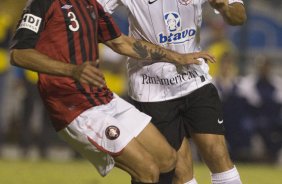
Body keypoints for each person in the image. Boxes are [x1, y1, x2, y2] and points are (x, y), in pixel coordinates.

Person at [9, 0, 215, 183]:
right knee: (148, 171)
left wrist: (176, 57)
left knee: (168, 159)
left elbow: (121, 42)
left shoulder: (91, 4)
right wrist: (72, 70)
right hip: (74, 108)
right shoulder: (42, 3)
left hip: (103, 98)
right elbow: (19, 54)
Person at [97, 0, 246, 183]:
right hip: (151, 89)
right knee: (180, 170)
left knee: (218, 154)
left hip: (194, 80)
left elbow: (238, 16)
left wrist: (224, 7)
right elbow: (90, 14)